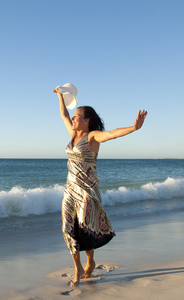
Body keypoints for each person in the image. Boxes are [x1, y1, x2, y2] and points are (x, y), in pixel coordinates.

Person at [53, 88, 147, 287]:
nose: (74, 119)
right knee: (67, 227)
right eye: (75, 116)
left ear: (87, 120)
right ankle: (77, 268)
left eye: (78, 116)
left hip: (88, 191)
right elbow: (63, 114)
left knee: (85, 228)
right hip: (70, 189)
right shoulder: (72, 134)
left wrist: (134, 127)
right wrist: (61, 96)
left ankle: (90, 262)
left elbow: (112, 134)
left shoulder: (92, 137)